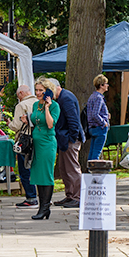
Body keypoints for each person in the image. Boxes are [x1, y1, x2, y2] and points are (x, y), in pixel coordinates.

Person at [22, 77, 60, 220]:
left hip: (47, 143)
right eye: (37, 90)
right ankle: (42, 207)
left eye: (41, 90)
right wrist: (27, 119)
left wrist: (47, 107)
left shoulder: (54, 106)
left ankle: (45, 207)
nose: (38, 93)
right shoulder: (35, 105)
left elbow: (50, 124)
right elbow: (36, 121)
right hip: (36, 143)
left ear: (48, 91)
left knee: (46, 175)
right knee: (38, 175)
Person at [51, 79, 85, 209]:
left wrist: (71, 138)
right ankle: (70, 195)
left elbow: (73, 120)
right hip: (65, 139)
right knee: (64, 168)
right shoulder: (62, 97)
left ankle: (77, 197)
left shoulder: (66, 98)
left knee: (72, 168)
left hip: (70, 139)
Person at [8, 85, 39, 208]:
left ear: (21, 93)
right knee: (37, 168)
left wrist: (9, 124)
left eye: (18, 96)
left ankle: (31, 197)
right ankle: (42, 196)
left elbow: (16, 125)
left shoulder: (21, 105)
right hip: (39, 138)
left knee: (25, 169)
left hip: (25, 141)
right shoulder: (38, 102)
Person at [86, 74, 111, 161]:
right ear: (101, 85)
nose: (107, 85)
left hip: (92, 128)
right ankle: (94, 173)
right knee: (96, 153)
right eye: (106, 83)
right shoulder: (98, 98)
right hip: (99, 128)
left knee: (92, 152)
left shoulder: (92, 96)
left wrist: (106, 114)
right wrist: (104, 122)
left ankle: (89, 171)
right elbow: (95, 114)